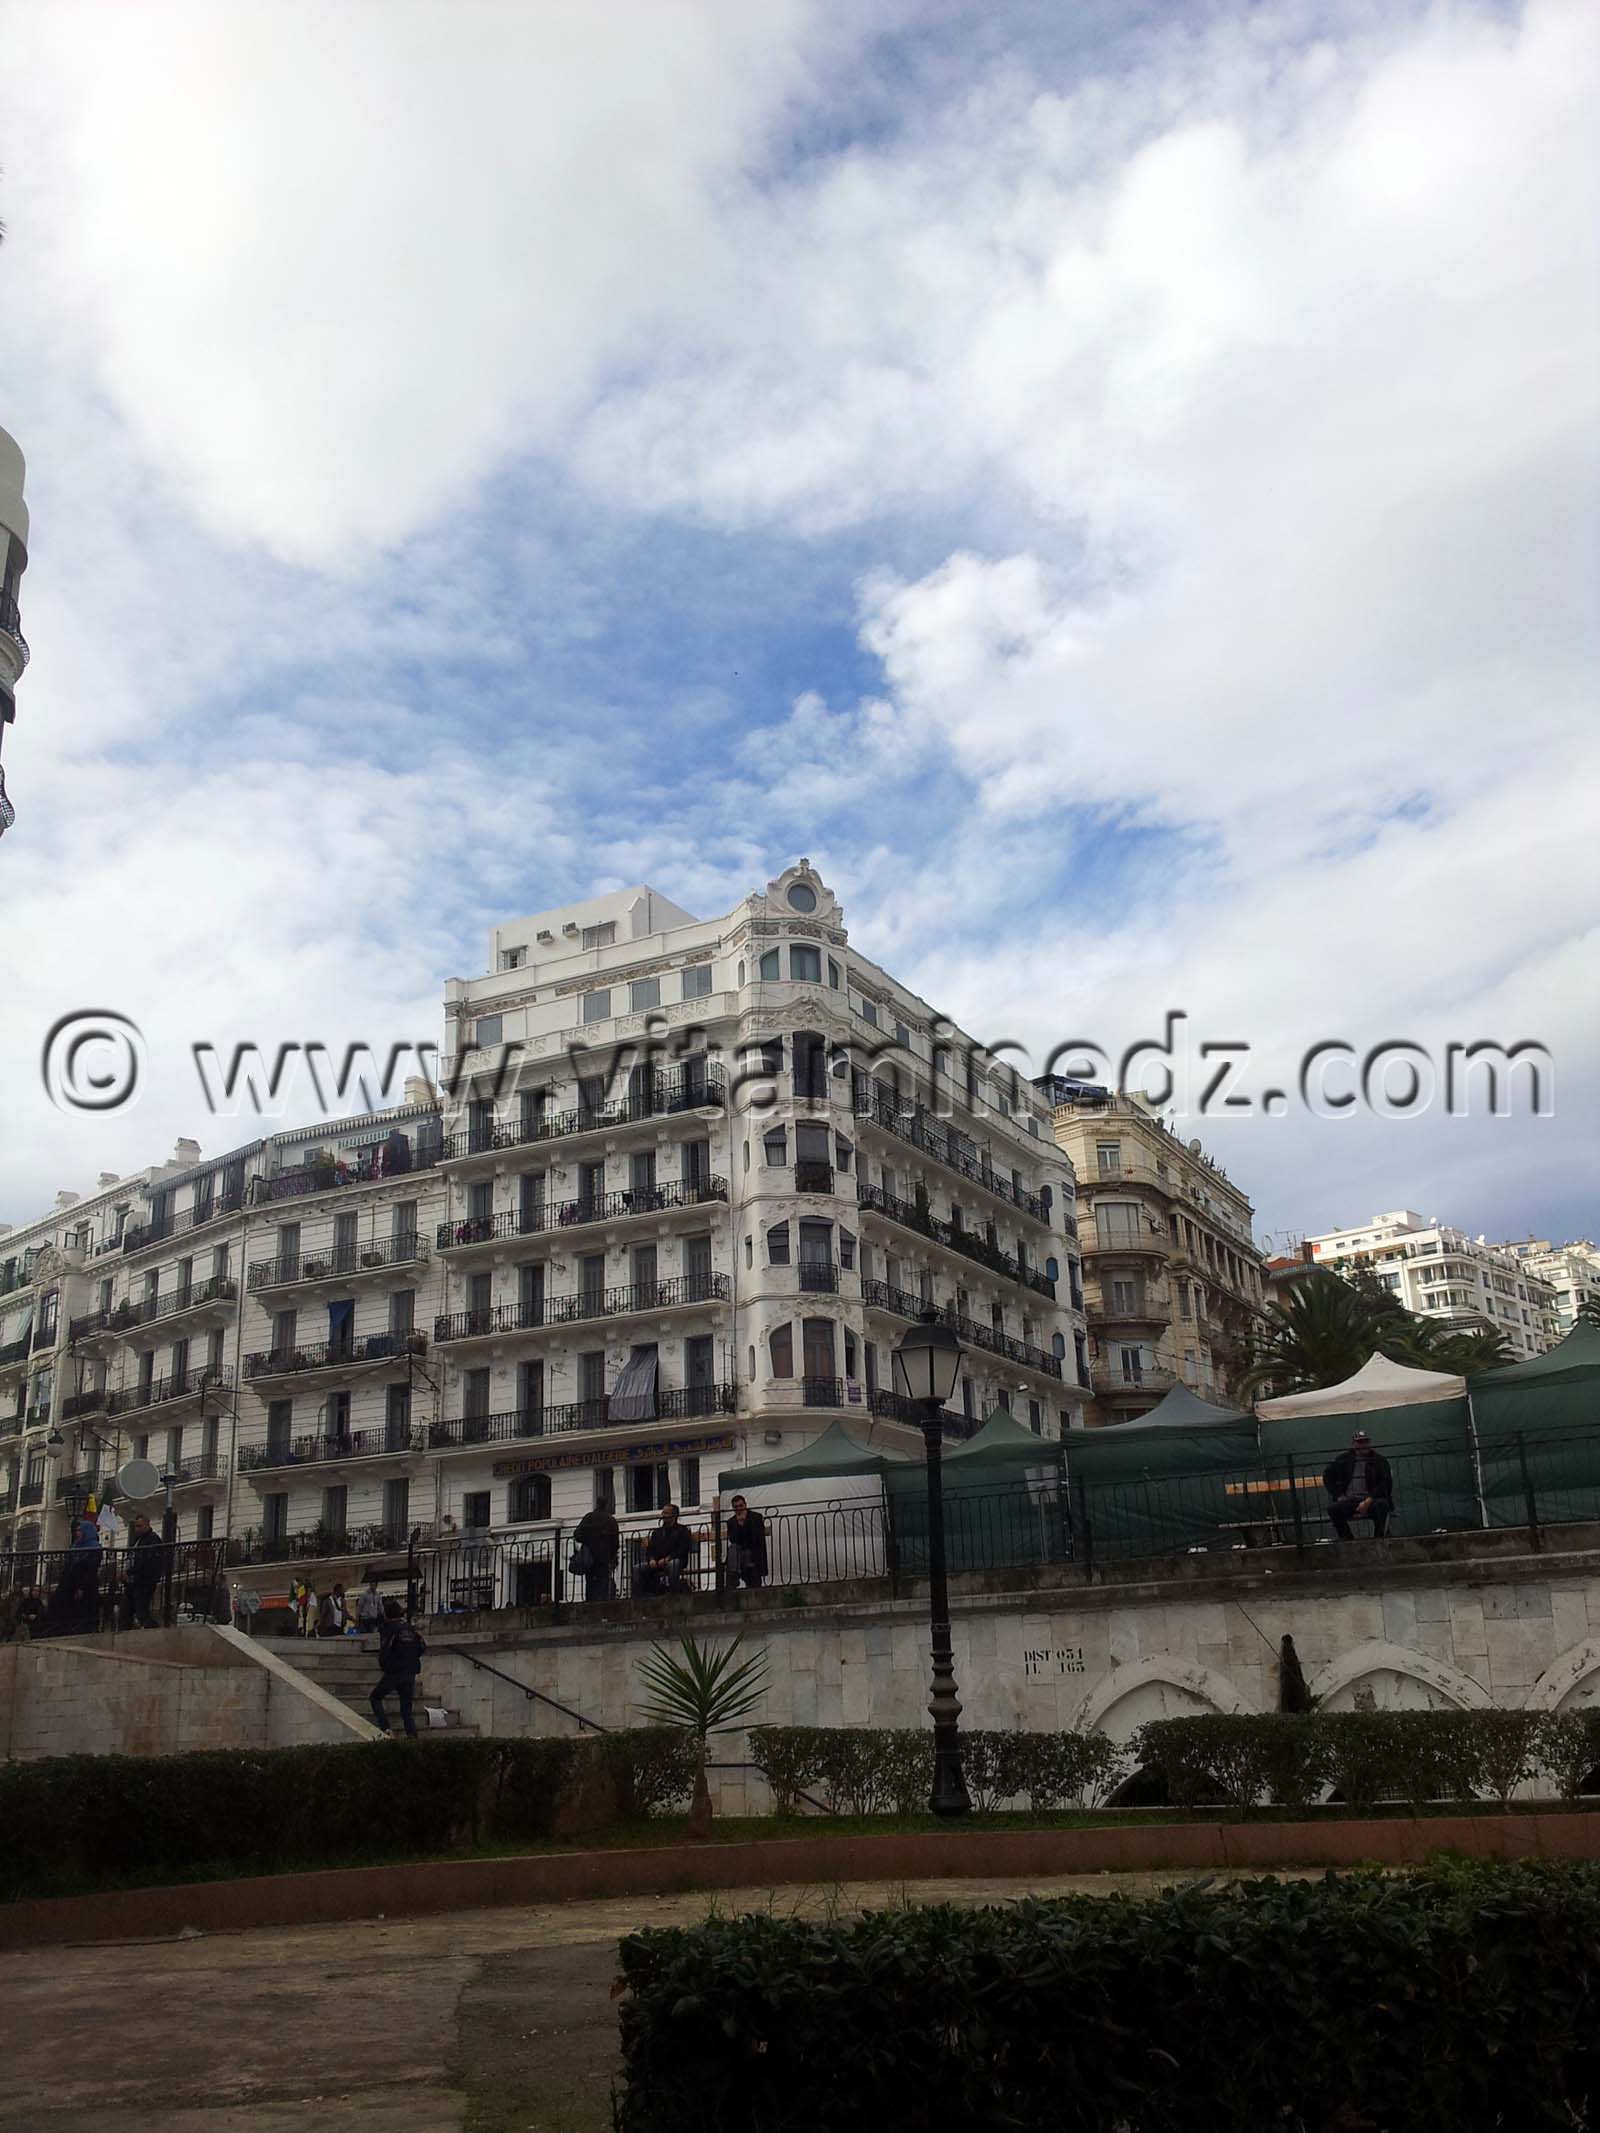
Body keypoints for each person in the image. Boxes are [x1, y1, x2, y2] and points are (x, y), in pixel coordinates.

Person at [369, 1598, 426, 1738]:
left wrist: (384, 1665)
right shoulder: (410, 1628)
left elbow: (385, 1649)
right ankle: (413, 1737)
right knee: (407, 1710)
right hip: (410, 1671)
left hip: (395, 1671)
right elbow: (422, 1647)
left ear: (387, 1614)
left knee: (375, 1698)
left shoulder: (389, 1628)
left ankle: (386, 1728)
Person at [1323, 1430, 1394, 1540]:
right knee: (1333, 1509)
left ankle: (1379, 1540)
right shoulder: (1343, 1459)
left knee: (1382, 1505)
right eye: (1360, 1442)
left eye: (1366, 1442)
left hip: (1372, 1500)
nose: (1363, 1445)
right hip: (1350, 1500)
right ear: (1354, 1444)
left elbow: (1386, 1484)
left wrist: (1368, 1500)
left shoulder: (1379, 1460)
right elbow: (1327, 1476)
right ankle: (1348, 1541)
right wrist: (1339, 1495)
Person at [571, 1497, 619, 1603]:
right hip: (604, 1558)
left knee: (590, 1583)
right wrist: (613, 1557)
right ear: (606, 1505)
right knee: (603, 1583)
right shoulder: (611, 1520)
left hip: (590, 1557)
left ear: (596, 1504)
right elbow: (615, 1543)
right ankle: (603, 1605)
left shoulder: (589, 1517)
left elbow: (577, 1535)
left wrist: (588, 1538)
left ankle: (590, 1604)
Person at [638, 1503, 693, 1596]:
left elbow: (683, 1549)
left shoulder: (682, 1530)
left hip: (676, 1560)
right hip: (657, 1562)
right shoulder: (657, 1532)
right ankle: (638, 1597)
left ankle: (673, 1594)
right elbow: (650, 1549)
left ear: (674, 1515)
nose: (663, 1515)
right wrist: (651, 1559)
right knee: (637, 1568)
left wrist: (668, 1558)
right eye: (663, 1513)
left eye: (666, 1513)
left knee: (673, 1565)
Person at [125, 1515, 166, 1629]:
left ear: (147, 1525)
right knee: (131, 1607)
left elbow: (145, 1561)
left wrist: (131, 1571)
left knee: (141, 1607)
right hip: (136, 1580)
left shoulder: (152, 1539)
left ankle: (150, 1626)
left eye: (139, 1526)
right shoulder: (139, 1540)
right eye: (135, 1526)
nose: (137, 1529)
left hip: (144, 1580)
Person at [725, 1495, 768, 1589]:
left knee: (741, 1554)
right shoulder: (731, 1522)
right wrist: (739, 1526)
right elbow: (733, 1540)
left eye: (741, 1506)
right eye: (736, 1507)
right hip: (739, 1554)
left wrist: (744, 1524)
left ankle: (734, 1575)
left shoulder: (756, 1517)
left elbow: (756, 1538)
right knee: (733, 1549)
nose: (739, 1509)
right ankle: (734, 1574)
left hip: (753, 1552)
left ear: (745, 1505)